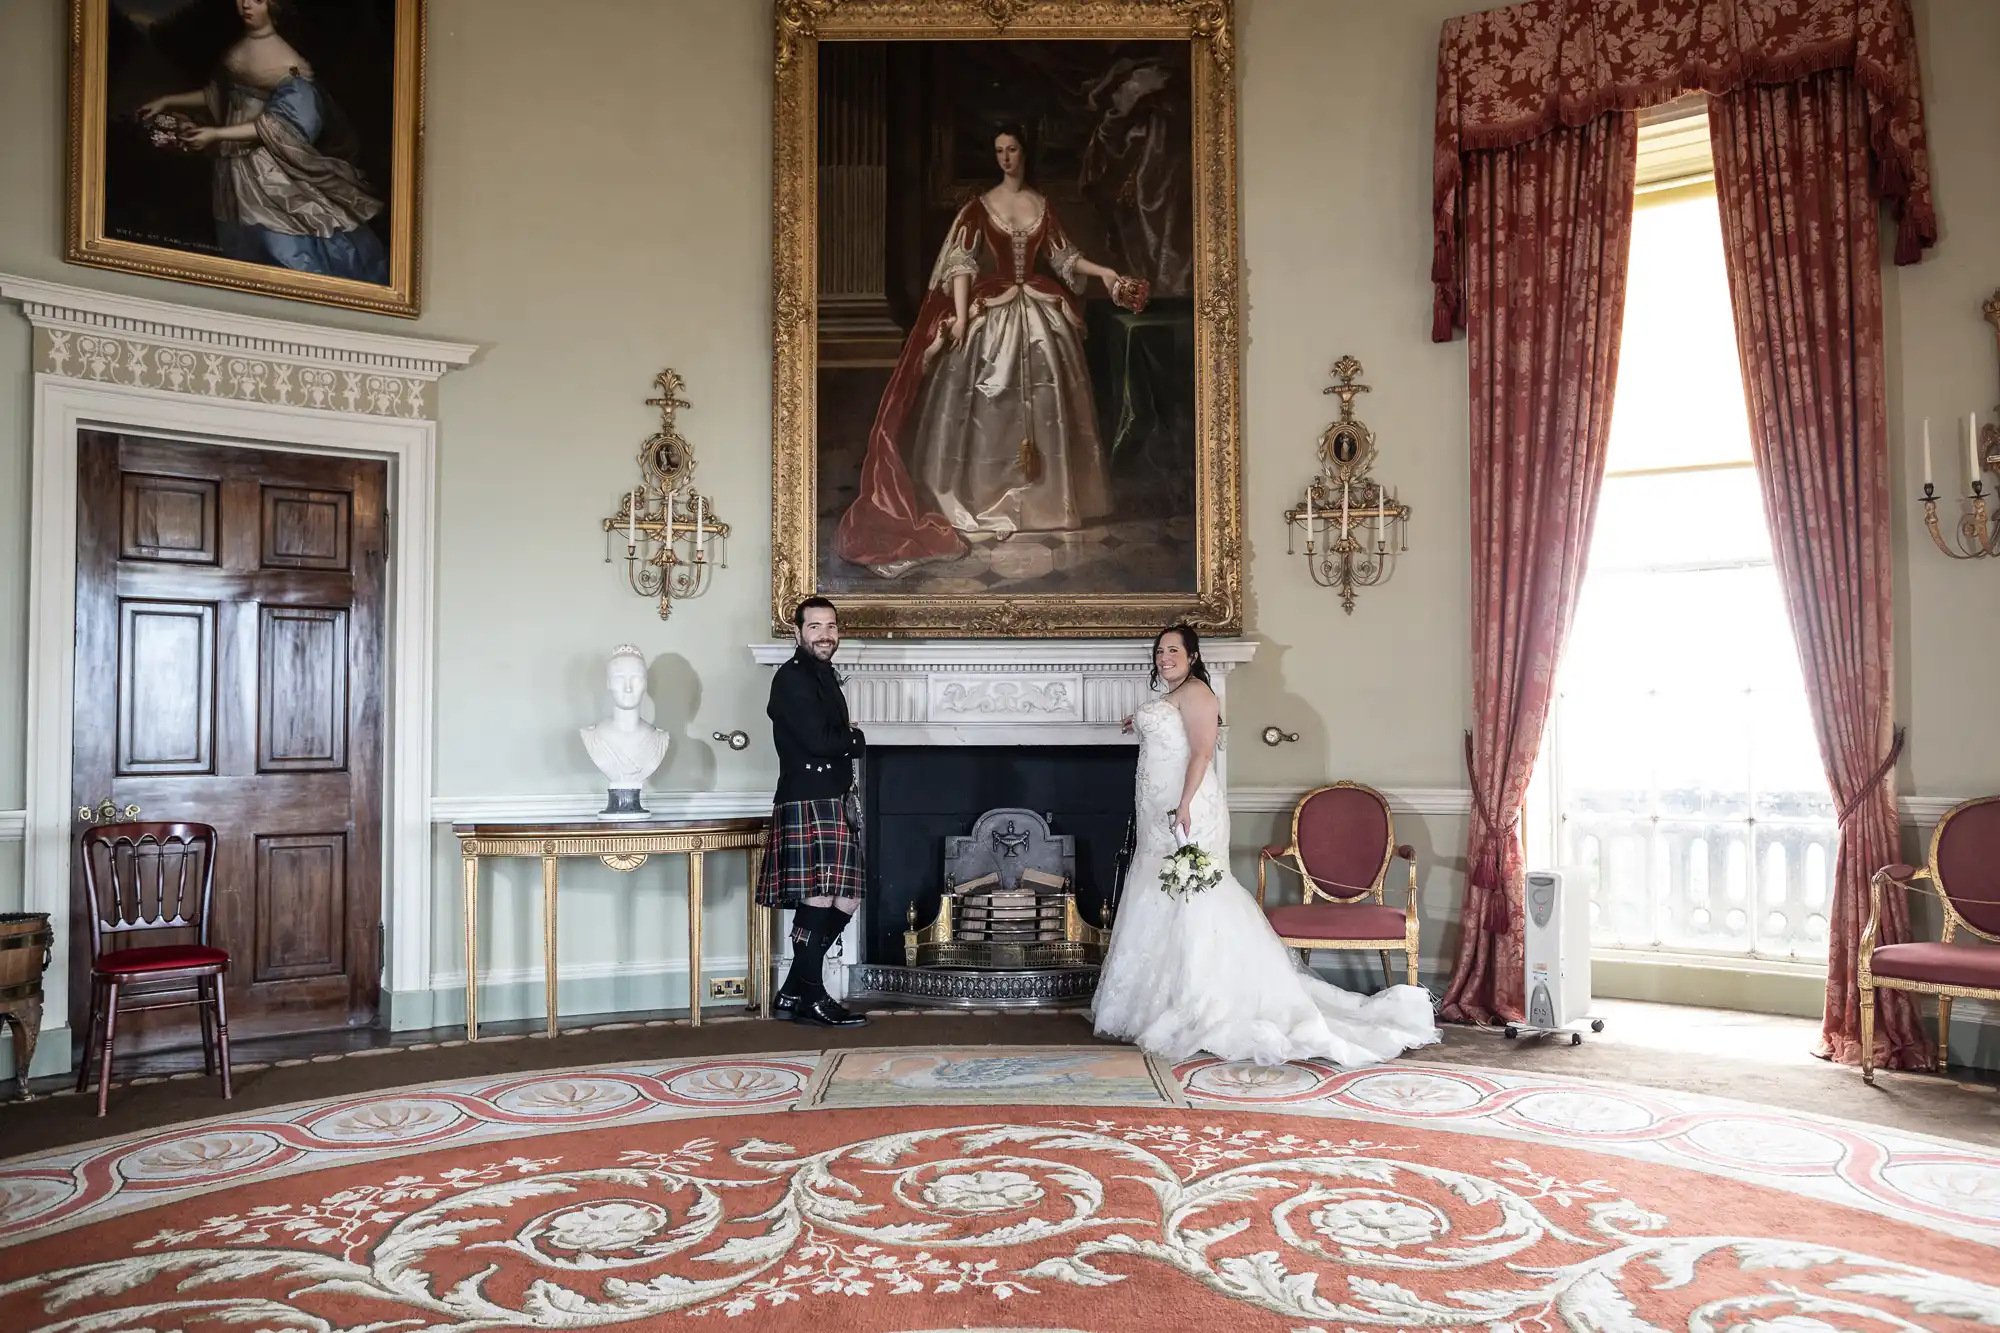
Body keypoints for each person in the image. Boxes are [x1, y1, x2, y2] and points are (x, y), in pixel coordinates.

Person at [1091, 624, 1441, 1066]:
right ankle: (1158, 1000)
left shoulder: (1198, 693)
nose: (1164, 657)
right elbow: (1171, 733)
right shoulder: (1172, 697)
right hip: (1155, 809)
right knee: (1159, 894)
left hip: (1186, 806)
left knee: (1193, 897)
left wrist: (1183, 805)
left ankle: (1202, 1000)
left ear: (1193, 656)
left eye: (1173, 650)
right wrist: (1139, 722)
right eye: (1160, 651)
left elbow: (1200, 753)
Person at [833, 123, 1133, 578]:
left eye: (1012, 150)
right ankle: (982, 501)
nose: (1005, 158)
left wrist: (1106, 271)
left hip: (1036, 308)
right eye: (998, 151)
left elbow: (1065, 258)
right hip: (989, 311)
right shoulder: (980, 207)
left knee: (1050, 397)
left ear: (1025, 153)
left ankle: (1047, 504)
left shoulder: (1041, 205)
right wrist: (964, 315)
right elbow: (961, 264)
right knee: (987, 403)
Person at [137, 0, 390, 283]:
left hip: (268, 172)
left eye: (257, 0)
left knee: (282, 249)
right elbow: (217, 96)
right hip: (233, 167)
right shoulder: (239, 46)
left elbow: (281, 123)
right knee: (242, 249)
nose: (245, 5)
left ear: (274, 6)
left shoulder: (289, 64)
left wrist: (217, 134)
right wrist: (167, 99)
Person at [757, 597, 868, 1027]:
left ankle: (793, 988)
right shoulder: (791, 678)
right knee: (819, 895)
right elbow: (821, 741)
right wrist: (854, 738)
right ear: (798, 633)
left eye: (831, 626)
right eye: (815, 626)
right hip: (807, 798)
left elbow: (827, 735)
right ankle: (814, 995)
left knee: (848, 895)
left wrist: (845, 736)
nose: (825, 634)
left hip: (831, 797)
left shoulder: (823, 676)